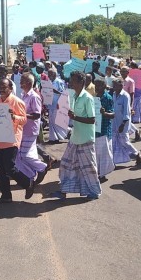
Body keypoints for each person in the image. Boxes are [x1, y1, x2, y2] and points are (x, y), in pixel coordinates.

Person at [50, 71, 101, 200]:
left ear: (81, 82)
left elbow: (92, 119)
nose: (70, 83)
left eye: (73, 81)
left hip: (85, 139)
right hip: (75, 137)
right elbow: (71, 113)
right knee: (66, 165)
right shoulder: (74, 96)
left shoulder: (87, 98)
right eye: (71, 80)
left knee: (89, 168)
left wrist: (75, 117)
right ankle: (63, 191)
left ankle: (94, 192)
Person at [0, 78, 33, 203]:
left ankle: (28, 183)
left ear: (10, 88)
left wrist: (13, 116)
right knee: (1, 170)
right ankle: (6, 196)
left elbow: (24, 120)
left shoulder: (16, 101)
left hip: (11, 139)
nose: (1, 89)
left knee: (10, 168)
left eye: (4, 87)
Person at [16, 73, 48, 186]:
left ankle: (42, 168)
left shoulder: (34, 96)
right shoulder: (24, 95)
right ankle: (30, 175)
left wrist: (21, 115)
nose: (20, 83)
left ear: (29, 83)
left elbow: (37, 115)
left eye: (22, 81)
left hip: (30, 131)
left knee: (23, 155)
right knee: (20, 155)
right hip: (23, 129)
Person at [112, 78, 141, 166]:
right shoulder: (114, 94)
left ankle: (137, 153)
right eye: (113, 85)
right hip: (114, 121)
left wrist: (122, 124)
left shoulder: (125, 96)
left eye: (115, 85)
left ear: (121, 86)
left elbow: (126, 111)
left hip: (123, 123)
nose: (113, 87)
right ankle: (113, 161)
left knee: (124, 141)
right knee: (114, 141)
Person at [94, 78, 115, 182]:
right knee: (97, 153)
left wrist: (104, 113)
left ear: (104, 86)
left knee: (104, 153)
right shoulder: (96, 97)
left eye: (99, 86)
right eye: (95, 85)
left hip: (104, 129)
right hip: (96, 129)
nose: (96, 88)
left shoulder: (108, 98)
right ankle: (98, 172)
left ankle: (103, 174)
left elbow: (113, 114)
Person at [46, 68, 68, 143]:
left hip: (57, 104)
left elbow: (63, 93)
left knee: (56, 122)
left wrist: (54, 91)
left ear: (54, 74)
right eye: (48, 74)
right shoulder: (49, 82)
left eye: (50, 74)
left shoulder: (59, 82)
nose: (49, 76)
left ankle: (67, 131)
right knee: (51, 122)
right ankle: (53, 138)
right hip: (50, 104)